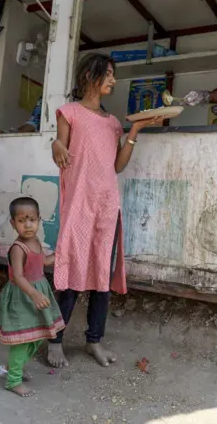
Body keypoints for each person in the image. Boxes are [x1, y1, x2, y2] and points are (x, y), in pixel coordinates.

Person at [48, 53, 160, 368]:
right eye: (108, 74)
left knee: (101, 279)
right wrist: (55, 145)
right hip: (79, 205)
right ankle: (55, 341)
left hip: (107, 206)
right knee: (70, 276)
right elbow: (60, 146)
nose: (113, 80)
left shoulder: (112, 124)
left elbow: (117, 166)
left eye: (113, 74)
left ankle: (93, 340)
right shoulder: (68, 112)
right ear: (89, 76)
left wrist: (134, 131)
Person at [0, 197, 65, 397]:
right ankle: (13, 380)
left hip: (37, 294)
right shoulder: (18, 248)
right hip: (22, 297)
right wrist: (33, 293)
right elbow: (17, 276)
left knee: (36, 337)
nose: (28, 225)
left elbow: (41, 264)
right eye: (22, 220)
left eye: (32, 219)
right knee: (21, 340)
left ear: (39, 220)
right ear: (13, 223)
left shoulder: (35, 242)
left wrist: (58, 256)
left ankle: (16, 365)